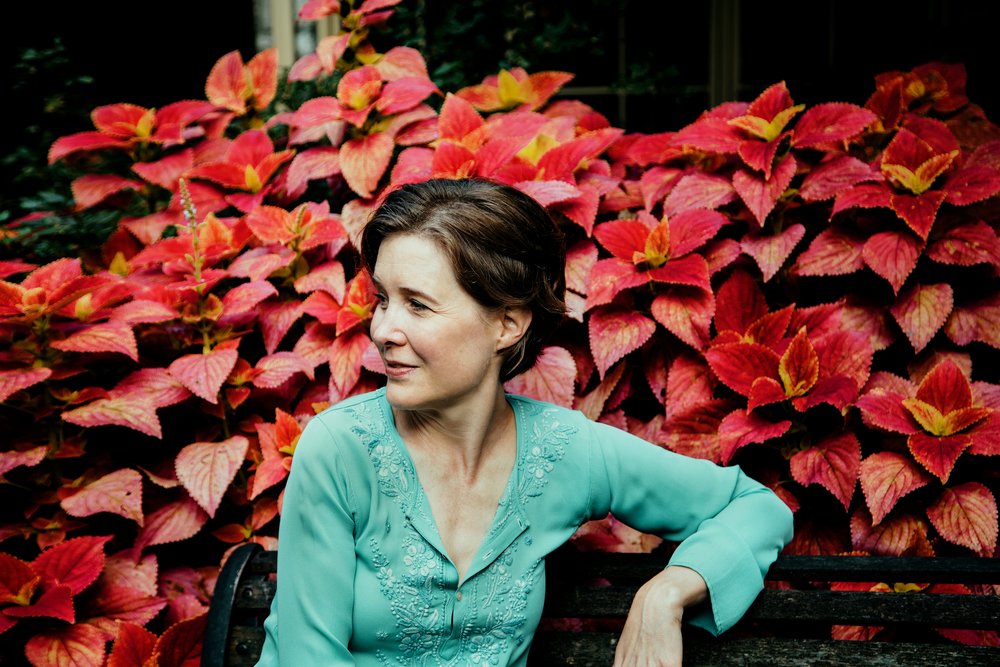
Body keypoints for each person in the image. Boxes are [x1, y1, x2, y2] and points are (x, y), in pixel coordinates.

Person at [254, 178, 794, 666]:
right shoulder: (339, 450)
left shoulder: (565, 452)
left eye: (417, 305)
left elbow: (754, 507)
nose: (383, 330)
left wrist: (667, 593)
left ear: (507, 324)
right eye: (383, 301)